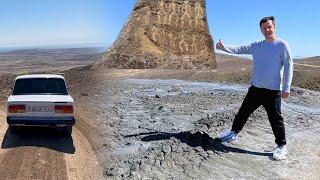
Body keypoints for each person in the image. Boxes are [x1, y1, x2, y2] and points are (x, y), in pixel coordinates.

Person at [216, 16, 293, 160]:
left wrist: (286, 88)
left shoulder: (282, 45)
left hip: (273, 91)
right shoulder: (257, 45)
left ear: (274, 27)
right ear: (261, 30)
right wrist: (223, 47)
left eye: (269, 27)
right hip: (256, 89)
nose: (267, 30)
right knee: (243, 112)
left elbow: (289, 67)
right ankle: (233, 133)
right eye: (264, 28)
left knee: (276, 119)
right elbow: (239, 49)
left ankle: (282, 146)